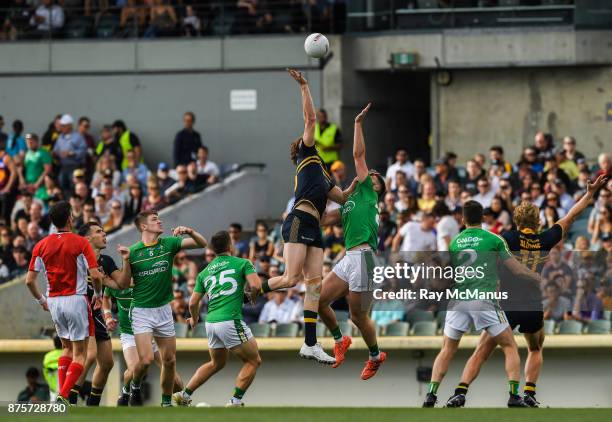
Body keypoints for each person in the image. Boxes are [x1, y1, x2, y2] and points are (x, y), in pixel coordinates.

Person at [452, 175, 607, 407]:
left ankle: (460, 392)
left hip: (505, 304)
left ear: (516, 220)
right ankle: (529, 394)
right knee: (535, 347)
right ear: (537, 221)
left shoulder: (505, 238)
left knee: (482, 351)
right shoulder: (545, 239)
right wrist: (589, 194)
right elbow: (571, 216)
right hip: (533, 305)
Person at [260, 69, 354, 364]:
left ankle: (310, 343)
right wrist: (304, 86)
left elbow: (343, 198)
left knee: (313, 284)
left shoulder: (326, 177)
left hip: (314, 225)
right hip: (299, 218)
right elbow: (310, 119)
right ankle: (251, 289)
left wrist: (362, 183)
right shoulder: (308, 154)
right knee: (290, 278)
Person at [423, 200, 542, 409]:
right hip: (482, 298)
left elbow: (449, 274)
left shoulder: (455, 242)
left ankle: (431, 396)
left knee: (447, 349)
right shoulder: (494, 239)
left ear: (462, 219)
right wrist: (535, 277)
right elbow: (516, 269)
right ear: (484, 218)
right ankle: (514, 395)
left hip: (458, 299)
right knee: (509, 345)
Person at [317, 103, 388, 379]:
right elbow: (323, 220)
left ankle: (375, 355)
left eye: (375, 178)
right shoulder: (350, 201)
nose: (370, 176)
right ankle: (339, 339)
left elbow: (359, 154)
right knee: (318, 300)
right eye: (370, 175)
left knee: (358, 317)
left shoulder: (369, 194)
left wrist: (357, 123)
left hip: (365, 257)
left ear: (378, 187)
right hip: (349, 257)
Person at [123, 210, 207, 407]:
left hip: (163, 310)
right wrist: (125, 261)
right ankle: (135, 386)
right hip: (141, 310)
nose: (160, 221)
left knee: (169, 361)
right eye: (154, 220)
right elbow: (125, 283)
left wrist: (189, 231)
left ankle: (166, 402)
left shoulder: (168, 244)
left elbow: (202, 243)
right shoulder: (133, 251)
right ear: (144, 227)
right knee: (144, 361)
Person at [24, 201, 105, 405]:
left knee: (66, 349)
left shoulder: (41, 245)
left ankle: (62, 393)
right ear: (70, 218)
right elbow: (95, 275)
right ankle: (64, 394)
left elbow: (29, 281)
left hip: (54, 303)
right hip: (76, 300)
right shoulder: (80, 242)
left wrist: (42, 300)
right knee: (80, 354)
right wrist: (98, 293)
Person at [173, 230, 262, 407]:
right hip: (230, 320)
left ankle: (184, 395)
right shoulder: (242, 263)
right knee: (253, 360)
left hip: (211, 322)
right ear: (230, 245)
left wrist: (194, 318)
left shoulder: (204, 272)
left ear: (213, 249)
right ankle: (235, 401)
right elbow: (256, 285)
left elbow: (192, 303)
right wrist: (253, 296)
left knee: (216, 362)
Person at [70, 222, 131, 406]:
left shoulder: (106, 261)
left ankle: (92, 406)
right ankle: (68, 399)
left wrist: (126, 261)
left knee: (106, 362)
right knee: (89, 355)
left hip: (96, 312)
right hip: (79, 309)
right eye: (99, 232)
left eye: (104, 231)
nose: (104, 234)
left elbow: (121, 284)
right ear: (87, 238)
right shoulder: (76, 258)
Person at [53, 115, 87, 194]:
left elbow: (83, 150)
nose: (61, 127)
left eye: (63, 126)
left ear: (69, 125)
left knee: (73, 186)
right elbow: (56, 150)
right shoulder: (60, 137)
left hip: (75, 166)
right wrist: (55, 154)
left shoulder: (78, 137)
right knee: (62, 183)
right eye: (61, 126)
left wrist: (72, 153)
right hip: (63, 166)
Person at [20, 134, 52, 200]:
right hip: (28, 186)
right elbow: (22, 169)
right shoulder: (27, 154)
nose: (29, 144)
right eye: (27, 142)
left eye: (31, 142)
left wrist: (36, 184)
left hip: (41, 187)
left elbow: (47, 170)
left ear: (37, 142)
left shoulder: (43, 153)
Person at [42, 336, 63, 400]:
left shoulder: (48, 356)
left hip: (53, 389)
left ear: (54, 344)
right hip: (67, 389)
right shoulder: (69, 354)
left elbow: (45, 372)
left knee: (54, 408)